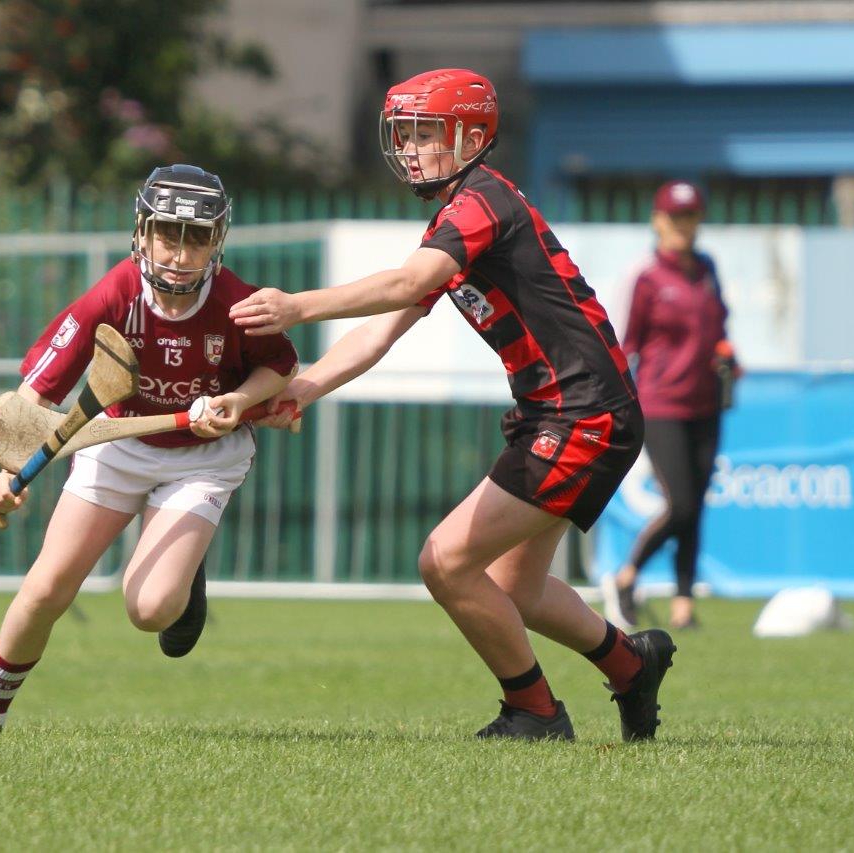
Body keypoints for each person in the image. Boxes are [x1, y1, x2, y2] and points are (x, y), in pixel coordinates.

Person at [230, 68, 676, 742]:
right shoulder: (457, 219)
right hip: (557, 413)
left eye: (424, 133)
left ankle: (535, 712)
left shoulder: (482, 202)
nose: (408, 148)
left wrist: (298, 306)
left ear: (473, 135)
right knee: (514, 586)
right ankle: (630, 663)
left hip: (585, 414)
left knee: (445, 560)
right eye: (403, 135)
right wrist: (308, 385)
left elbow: (407, 281)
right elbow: (386, 326)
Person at [0, 164, 297, 732]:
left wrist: (236, 400)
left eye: (196, 237)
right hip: (119, 444)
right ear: (142, 232)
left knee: (150, 610)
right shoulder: (117, 292)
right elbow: (31, 400)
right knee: (48, 584)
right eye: (166, 234)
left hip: (204, 459)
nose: (179, 253)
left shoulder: (235, 302)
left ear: (217, 241)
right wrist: (8, 472)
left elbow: (281, 364)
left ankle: (182, 572)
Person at [605, 180, 736, 631]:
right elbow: (626, 343)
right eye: (675, 216)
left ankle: (683, 604)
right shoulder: (645, 276)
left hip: (707, 401)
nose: (684, 225)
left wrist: (726, 356)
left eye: (691, 216)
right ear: (658, 220)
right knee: (679, 504)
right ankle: (626, 576)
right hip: (660, 402)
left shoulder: (707, 269)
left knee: (696, 505)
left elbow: (720, 327)